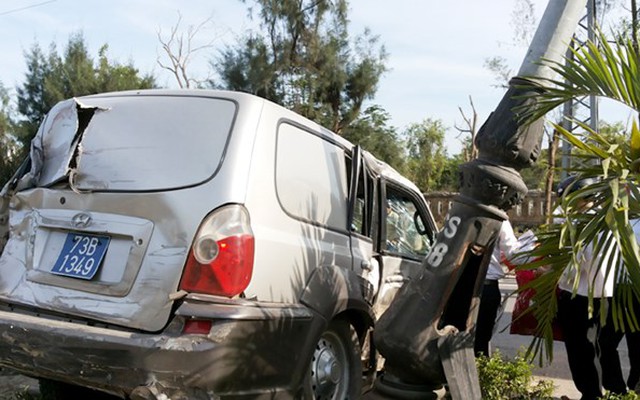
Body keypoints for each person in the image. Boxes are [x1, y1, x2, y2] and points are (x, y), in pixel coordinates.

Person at [554, 175, 618, 400]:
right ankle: (592, 393)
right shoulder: (605, 221)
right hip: (602, 295)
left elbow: (580, 262)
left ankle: (591, 394)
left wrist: (551, 272)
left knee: (581, 351)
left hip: (580, 296)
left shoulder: (585, 225)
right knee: (594, 350)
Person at [598, 217, 640, 395]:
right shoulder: (615, 220)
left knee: (638, 345)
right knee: (604, 342)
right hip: (616, 291)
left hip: (637, 291)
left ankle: (635, 387)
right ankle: (616, 390)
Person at [474, 219, 520, 356]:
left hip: (459, 287)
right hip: (486, 288)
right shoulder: (499, 220)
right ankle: (478, 370)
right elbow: (514, 253)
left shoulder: (459, 213)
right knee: (480, 341)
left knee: (457, 338)